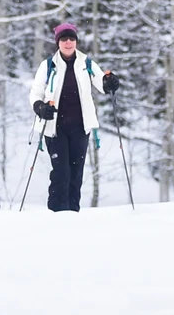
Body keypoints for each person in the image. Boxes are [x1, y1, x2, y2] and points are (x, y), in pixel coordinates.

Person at [28, 22, 120, 212]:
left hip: (80, 127)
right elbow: (36, 93)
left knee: (76, 174)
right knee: (61, 173)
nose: (68, 42)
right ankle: (56, 214)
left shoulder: (86, 63)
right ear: (58, 43)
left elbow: (102, 83)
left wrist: (110, 82)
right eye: (64, 39)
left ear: (76, 42)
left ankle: (72, 215)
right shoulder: (48, 65)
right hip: (55, 128)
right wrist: (40, 107)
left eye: (71, 39)